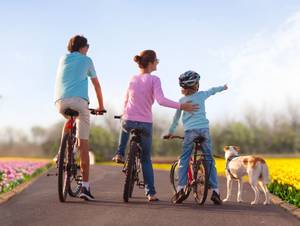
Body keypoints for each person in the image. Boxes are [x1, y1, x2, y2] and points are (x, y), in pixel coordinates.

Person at [112, 50, 198, 201]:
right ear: (151, 63)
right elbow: (161, 100)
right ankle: (151, 193)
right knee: (145, 158)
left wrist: (124, 114)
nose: (157, 63)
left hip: (129, 120)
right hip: (145, 123)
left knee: (124, 123)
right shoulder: (154, 80)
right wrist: (181, 106)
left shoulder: (132, 79)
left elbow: (126, 100)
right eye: (156, 61)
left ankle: (120, 152)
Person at [54, 35, 105, 201]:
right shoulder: (87, 60)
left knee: (68, 119)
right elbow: (96, 84)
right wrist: (101, 106)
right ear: (83, 47)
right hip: (79, 102)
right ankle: (85, 187)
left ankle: (61, 152)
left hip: (60, 102)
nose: (88, 48)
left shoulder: (63, 58)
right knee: (84, 143)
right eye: (87, 46)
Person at [165, 70, 228, 205]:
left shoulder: (181, 101)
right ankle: (216, 192)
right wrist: (223, 87)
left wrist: (170, 132)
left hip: (190, 133)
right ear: (196, 85)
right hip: (204, 131)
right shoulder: (201, 95)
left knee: (184, 159)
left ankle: (181, 189)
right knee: (209, 159)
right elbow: (212, 90)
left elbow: (176, 119)